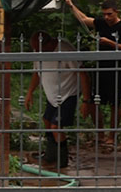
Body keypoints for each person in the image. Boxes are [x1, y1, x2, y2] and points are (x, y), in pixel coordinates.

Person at [62, 0, 121, 149]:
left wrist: (110, 43)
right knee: (95, 102)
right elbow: (84, 19)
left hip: (116, 70)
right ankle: (100, 134)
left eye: (109, 14)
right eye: (104, 14)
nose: (107, 17)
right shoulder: (101, 23)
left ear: (116, 12)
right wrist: (70, 5)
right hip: (100, 68)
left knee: (115, 104)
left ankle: (112, 136)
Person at [24, 32, 87, 169]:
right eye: (36, 49)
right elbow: (37, 72)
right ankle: (50, 155)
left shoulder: (65, 50)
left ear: (50, 43)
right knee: (47, 121)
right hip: (52, 94)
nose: (38, 52)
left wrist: (87, 101)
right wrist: (30, 93)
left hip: (68, 93)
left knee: (56, 126)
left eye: (41, 49)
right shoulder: (38, 52)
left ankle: (62, 160)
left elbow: (83, 73)